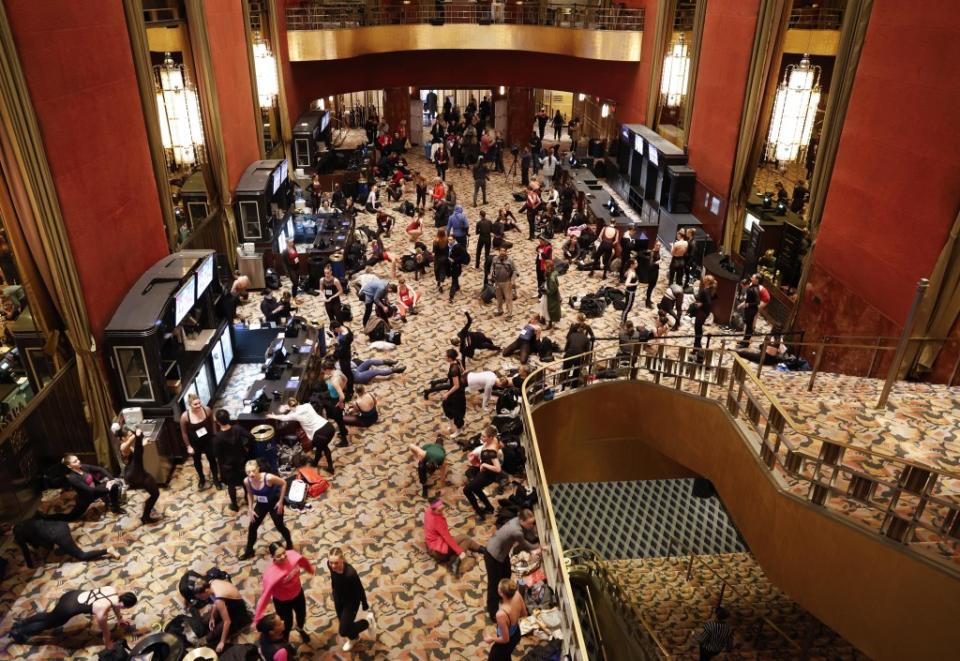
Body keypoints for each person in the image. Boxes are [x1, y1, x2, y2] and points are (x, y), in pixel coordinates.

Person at [8, 587, 137, 647]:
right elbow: (105, 631)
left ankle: (21, 623)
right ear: (123, 605)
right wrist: (108, 642)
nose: (123, 609)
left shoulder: (112, 590)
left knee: (50, 616)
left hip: (72, 595)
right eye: (125, 608)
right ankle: (18, 632)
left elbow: (115, 605)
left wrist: (120, 619)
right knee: (49, 623)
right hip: (68, 608)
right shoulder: (102, 611)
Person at [483, 509, 539, 620]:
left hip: (502, 554)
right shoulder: (516, 531)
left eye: (532, 523)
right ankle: (493, 612)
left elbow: (528, 532)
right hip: (492, 555)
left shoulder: (517, 520)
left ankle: (503, 597)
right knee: (494, 584)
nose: (531, 525)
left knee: (506, 574)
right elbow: (526, 545)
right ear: (522, 520)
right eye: (529, 523)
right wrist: (540, 547)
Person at [254, 543, 315, 642]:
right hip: (282, 602)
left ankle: (300, 629)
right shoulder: (271, 575)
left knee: (301, 615)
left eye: (284, 553)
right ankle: (285, 642)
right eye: (278, 556)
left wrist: (309, 569)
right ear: (272, 557)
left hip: (298, 593)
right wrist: (257, 617)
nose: (283, 556)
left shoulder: (292, 555)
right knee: (286, 624)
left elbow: (302, 560)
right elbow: (265, 597)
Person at [240, 460, 292, 560]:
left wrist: (280, 502)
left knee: (279, 525)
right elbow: (249, 493)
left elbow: (284, 483)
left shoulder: (268, 478)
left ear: (258, 469)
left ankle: (289, 544)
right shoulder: (247, 481)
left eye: (253, 471)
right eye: (248, 472)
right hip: (261, 504)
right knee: (252, 526)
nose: (251, 474)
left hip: (274, 503)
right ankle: (249, 551)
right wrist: (250, 508)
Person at [44, 455, 123, 520]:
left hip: (96, 489)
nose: (78, 461)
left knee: (114, 485)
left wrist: (111, 480)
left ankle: (115, 507)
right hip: (86, 497)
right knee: (71, 517)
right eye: (75, 461)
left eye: (77, 459)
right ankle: (46, 518)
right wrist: (107, 488)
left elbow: (100, 469)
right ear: (69, 466)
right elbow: (90, 491)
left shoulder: (83, 467)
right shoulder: (72, 478)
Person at [14, 518, 117, 568]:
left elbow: (25, 550)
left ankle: (108, 550)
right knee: (57, 552)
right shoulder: (24, 522)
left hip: (59, 535)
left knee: (82, 555)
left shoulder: (18, 532)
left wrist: (29, 565)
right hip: (61, 525)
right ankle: (66, 547)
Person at [327, 548, 375, 652]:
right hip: (338, 598)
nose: (333, 566)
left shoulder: (350, 574)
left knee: (343, 631)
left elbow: (360, 589)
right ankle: (354, 639)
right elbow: (334, 577)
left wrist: (364, 602)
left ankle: (367, 622)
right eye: (331, 562)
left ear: (342, 560)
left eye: (336, 563)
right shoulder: (329, 565)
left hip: (351, 602)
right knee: (343, 622)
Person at [269, 397, 336, 472]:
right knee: (321, 446)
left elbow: (284, 418)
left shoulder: (295, 415)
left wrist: (273, 416)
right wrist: (290, 408)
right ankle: (315, 462)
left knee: (324, 447)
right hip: (329, 427)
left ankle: (330, 467)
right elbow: (298, 407)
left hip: (320, 433)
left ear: (290, 406)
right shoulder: (307, 405)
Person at [423, 498, 484, 576]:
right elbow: (447, 538)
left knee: (465, 539)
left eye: (442, 509)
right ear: (433, 509)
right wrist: (460, 552)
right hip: (439, 552)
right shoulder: (437, 521)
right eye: (439, 510)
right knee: (466, 539)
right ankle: (454, 562)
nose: (442, 512)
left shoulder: (429, 511)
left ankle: (482, 550)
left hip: (433, 546)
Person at [116, 425, 161, 524]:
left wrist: (142, 442)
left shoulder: (128, 445)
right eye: (129, 435)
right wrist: (136, 435)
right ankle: (146, 516)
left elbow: (136, 451)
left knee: (155, 493)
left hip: (139, 472)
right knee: (139, 456)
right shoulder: (122, 446)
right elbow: (128, 448)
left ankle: (145, 516)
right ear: (123, 438)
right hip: (133, 474)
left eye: (131, 434)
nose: (131, 436)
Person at [194, 577, 252, 653]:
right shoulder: (211, 583)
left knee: (217, 630)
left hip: (237, 610)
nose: (201, 599)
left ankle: (207, 638)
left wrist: (222, 642)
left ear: (206, 591)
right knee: (206, 621)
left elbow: (227, 622)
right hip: (226, 603)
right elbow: (215, 603)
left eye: (201, 597)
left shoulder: (219, 599)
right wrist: (212, 617)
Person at [213, 409, 254, 512]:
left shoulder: (217, 438)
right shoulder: (237, 428)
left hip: (228, 466)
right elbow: (251, 437)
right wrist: (246, 448)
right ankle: (247, 499)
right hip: (241, 461)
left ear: (217, 422)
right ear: (229, 418)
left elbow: (216, 455)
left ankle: (235, 505)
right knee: (245, 482)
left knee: (231, 486)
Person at [180, 393, 221, 490]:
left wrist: (215, 436)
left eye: (199, 403)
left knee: (212, 459)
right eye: (195, 404)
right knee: (197, 461)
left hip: (208, 440)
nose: (198, 406)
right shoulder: (185, 416)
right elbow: (184, 433)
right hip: (195, 443)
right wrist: (188, 446)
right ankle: (202, 479)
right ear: (190, 405)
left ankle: (215, 479)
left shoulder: (207, 409)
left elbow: (212, 422)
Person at [464, 425, 502, 519]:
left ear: (491, 437)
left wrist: (484, 465)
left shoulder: (491, 452)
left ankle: (479, 511)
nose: (481, 438)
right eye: (481, 435)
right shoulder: (495, 439)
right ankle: (489, 508)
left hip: (487, 475)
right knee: (476, 489)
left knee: (466, 490)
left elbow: (498, 469)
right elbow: (501, 445)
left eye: (483, 436)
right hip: (485, 471)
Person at [485, 578, 527, 660]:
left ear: (501, 593)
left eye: (498, 588)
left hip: (506, 642)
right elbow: (524, 613)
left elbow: (505, 639)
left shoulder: (501, 614)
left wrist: (492, 638)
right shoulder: (517, 594)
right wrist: (514, 616)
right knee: (506, 656)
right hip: (516, 633)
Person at [441, 348, 467, 437]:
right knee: (445, 404)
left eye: (446, 356)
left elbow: (456, 386)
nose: (445, 357)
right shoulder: (458, 361)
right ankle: (451, 420)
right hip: (455, 390)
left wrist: (447, 394)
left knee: (457, 412)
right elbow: (464, 371)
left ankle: (459, 429)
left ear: (450, 358)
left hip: (457, 393)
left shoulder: (454, 370)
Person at [692, 275, 718, 355]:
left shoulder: (705, 291)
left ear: (707, 281)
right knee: (698, 329)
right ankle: (697, 347)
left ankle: (697, 348)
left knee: (697, 330)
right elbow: (715, 297)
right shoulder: (711, 289)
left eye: (705, 278)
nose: (703, 279)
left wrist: (701, 304)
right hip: (705, 313)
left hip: (702, 313)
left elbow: (709, 303)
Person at [491, 248, 516, 317]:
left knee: (508, 298)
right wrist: (491, 274)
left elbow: (514, 271)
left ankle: (509, 313)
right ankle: (500, 310)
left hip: (507, 282)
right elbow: (492, 267)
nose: (502, 252)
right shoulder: (495, 259)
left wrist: (512, 280)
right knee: (499, 297)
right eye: (501, 251)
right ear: (499, 252)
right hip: (497, 281)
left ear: (506, 252)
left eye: (503, 251)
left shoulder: (510, 260)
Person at [738, 274, 761, 347]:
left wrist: (749, 304)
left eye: (753, 277)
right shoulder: (752, 286)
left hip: (751, 310)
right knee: (748, 326)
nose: (751, 278)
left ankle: (746, 343)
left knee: (749, 327)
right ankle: (744, 341)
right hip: (749, 309)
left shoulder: (755, 289)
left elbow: (758, 302)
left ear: (757, 280)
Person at [448, 236, 469, 303]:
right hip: (451, 265)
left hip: (456, 266)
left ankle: (451, 296)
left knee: (453, 280)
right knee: (455, 278)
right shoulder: (448, 246)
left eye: (451, 240)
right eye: (448, 240)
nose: (449, 241)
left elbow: (462, 256)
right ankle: (457, 287)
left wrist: (454, 260)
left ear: (454, 240)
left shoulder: (458, 247)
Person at [543, 259, 561, 329]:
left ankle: (550, 323)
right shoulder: (553, 273)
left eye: (545, 266)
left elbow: (552, 290)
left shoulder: (551, 278)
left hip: (551, 297)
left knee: (550, 309)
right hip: (553, 295)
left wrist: (545, 291)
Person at [621, 258, 639, 324]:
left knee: (627, 306)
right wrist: (635, 283)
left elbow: (625, 275)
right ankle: (623, 322)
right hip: (630, 293)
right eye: (636, 263)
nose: (637, 264)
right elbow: (627, 284)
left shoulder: (630, 270)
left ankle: (623, 320)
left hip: (629, 292)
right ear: (632, 265)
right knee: (627, 308)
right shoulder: (631, 273)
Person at [433, 228, 450, 293]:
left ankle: (438, 281)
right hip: (445, 258)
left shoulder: (435, 241)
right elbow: (448, 249)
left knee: (437, 270)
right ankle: (441, 284)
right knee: (443, 272)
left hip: (437, 258)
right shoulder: (447, 240)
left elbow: (434, 251)